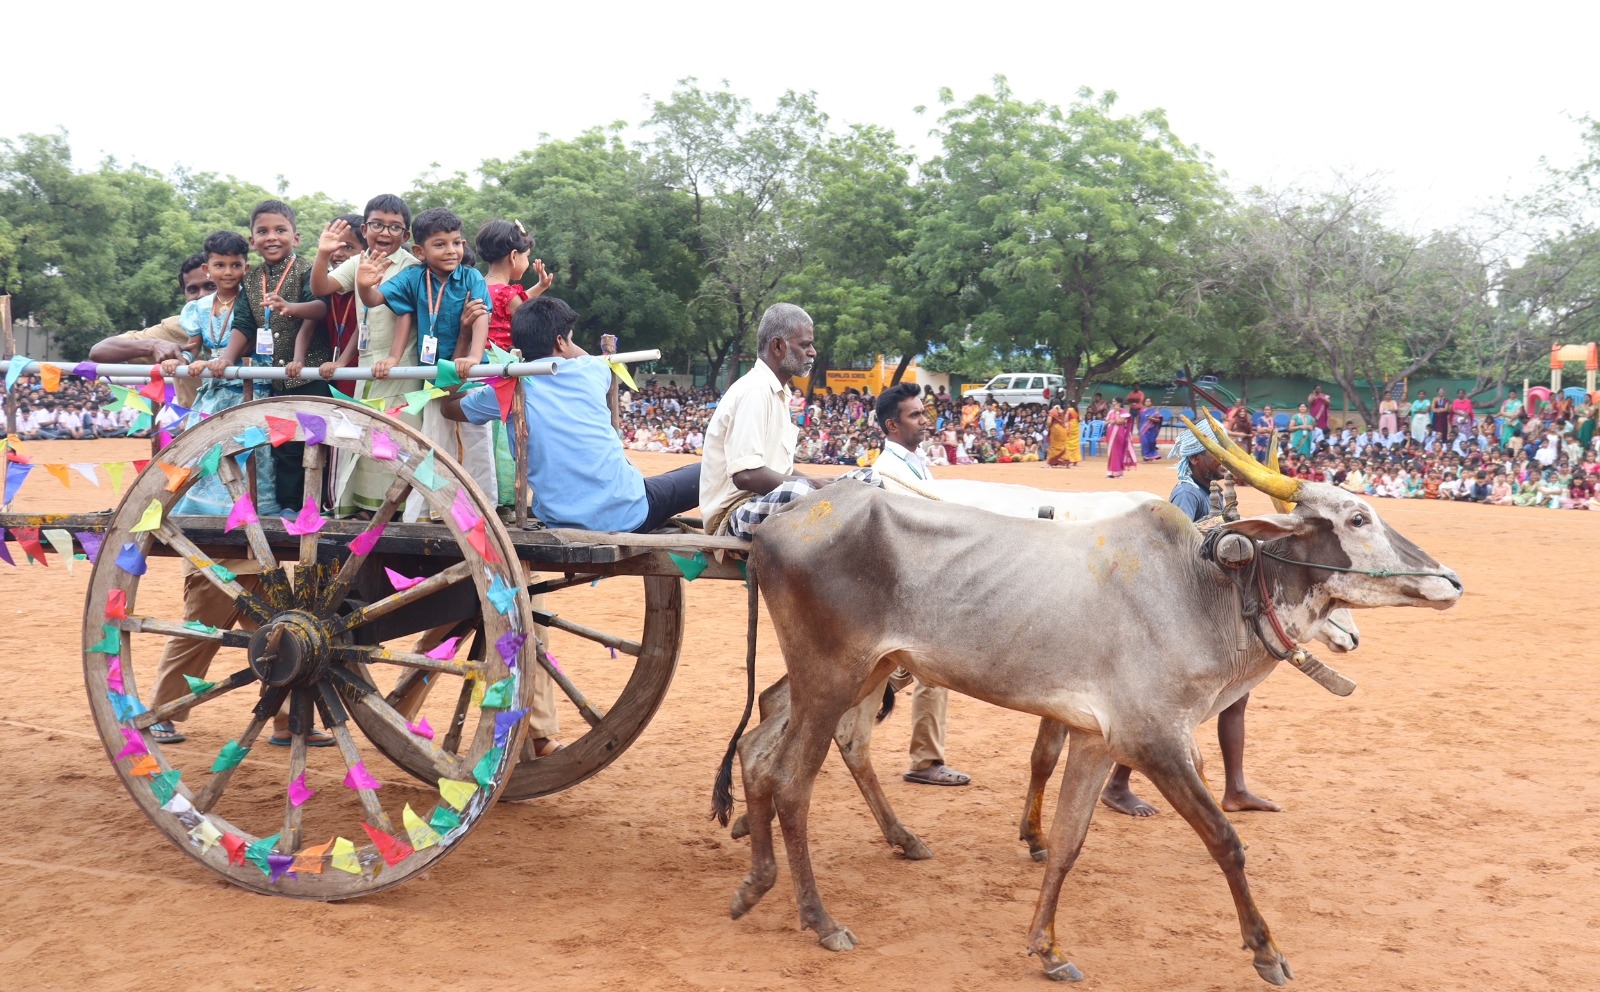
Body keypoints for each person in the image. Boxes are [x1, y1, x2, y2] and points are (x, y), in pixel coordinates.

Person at [1102, 417, 1278, 816]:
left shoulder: (1206, 490)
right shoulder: (1186, 493)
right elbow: (1174, 546)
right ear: (1196, 457)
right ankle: (1116, 783)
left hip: (1206, 607)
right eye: (1214, 454)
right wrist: (1225, 528)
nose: (1222, 462)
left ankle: (1235, 789)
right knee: (1172, 703)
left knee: (1235, 696)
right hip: (1188, 611)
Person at [442, 296, 701, 533]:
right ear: (560, 341)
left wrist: (464, 339)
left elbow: (448, 404)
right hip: (630, 514)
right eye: (570, 337)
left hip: (561, 520)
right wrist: (567, 343)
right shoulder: (590, 369)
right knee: (707, 470)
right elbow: (582, 357)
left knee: (659, 482)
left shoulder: (509, 386)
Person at [362, 207, 496, 522]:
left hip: (470, 375)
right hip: (434, 377)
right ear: (420, 251)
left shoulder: (471, 276)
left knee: (476, 441)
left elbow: (481, 317)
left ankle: (483, 511)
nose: (451, 250)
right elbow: (373, 300)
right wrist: (365, 285)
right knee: (436, 441)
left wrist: (474, 358)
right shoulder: (412, 278)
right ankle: (437, 511)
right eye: (441, 244)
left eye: (457, 242)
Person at [869, 383, 971, 787]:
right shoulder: (888, 470)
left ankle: (812, 723)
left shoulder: (913, 461)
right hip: (909, 588)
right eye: (915, 415)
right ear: (892, 425)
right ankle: (926, 763)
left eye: (924, 413)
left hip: (918, 584)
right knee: (933, 671)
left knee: (882, 673)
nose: (925, 421)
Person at [206, 200, 331, 512]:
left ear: (296, 237)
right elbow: (245, 324)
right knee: (284, 443)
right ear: (252, 241)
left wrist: (290, 308)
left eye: (280, 230)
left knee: (315, 440)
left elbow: (320, 308)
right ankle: (289, 506)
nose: (271, 237)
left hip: (311, 371)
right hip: (273, 376)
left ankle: (317, 505)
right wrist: (227, 358)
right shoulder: (251, 278)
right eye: (262, 231)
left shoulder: (306, 269)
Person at [311, 196, 421, 518]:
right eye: (377, 224)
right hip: (365, 369)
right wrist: (322, 254)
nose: (384, 232)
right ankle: (362, 512)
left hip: (403, 370)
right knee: (364, 442)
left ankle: (398, 510)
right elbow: (322, 287)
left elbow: (404, 314)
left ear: (406, 235)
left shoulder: (412, 267)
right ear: (365, 228)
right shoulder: (358, 261)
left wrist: (394, 359)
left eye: (394, 226)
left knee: (398, 441)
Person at [698, 303, 838, 539]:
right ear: (778, 346)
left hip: (764, 502)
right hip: (735, 516)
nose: (812, 352)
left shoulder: (778, 393)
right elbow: (746, 476)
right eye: (805, 345)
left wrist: (826, 483)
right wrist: (813, 485)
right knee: (802, 493)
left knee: (858, 481)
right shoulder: (756, 391)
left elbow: (780, 470)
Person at [87, 253, 215, 408]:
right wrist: (153, 346)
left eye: (211, 286)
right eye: (193, 290)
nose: (202, 296)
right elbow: (99, 350)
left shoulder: (249, 322)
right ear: (185, 295)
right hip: (201, 428)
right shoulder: (175, 328)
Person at [475, 219, 552, 352]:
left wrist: (541, 286)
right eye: (527, 256)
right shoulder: (508, 295)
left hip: (479, 360)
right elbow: (525, 315)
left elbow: (519, 300)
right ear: (513, 256)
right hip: (501, 365)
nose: (527, 262)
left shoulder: (478, 286)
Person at [1103, 397, 1134, 477]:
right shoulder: (1110, 412)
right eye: (1113, 402)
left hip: (1119, 434)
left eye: (1114, 402)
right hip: (1111, 433)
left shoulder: (1124, 412)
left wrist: (1117, 413)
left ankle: (1119, 472)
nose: (1113, 403)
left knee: (1119, 452)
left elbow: (1122, 421)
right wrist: (1110, 421)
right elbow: (1106, 422)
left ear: (1119, 403)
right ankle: (1110, 472)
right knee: (1111, 452)